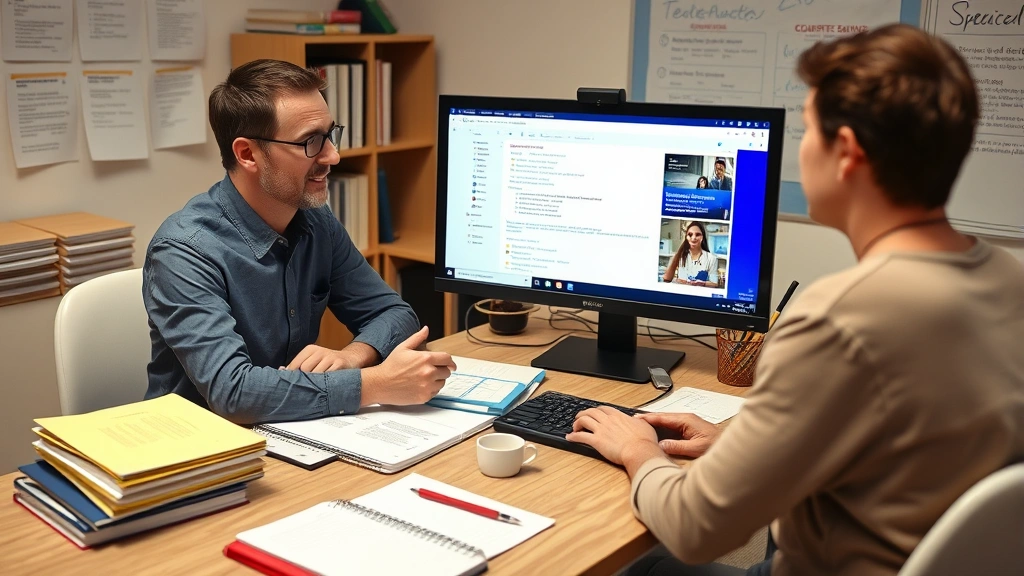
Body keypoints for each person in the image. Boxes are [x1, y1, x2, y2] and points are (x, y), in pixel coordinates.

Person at [568, 24, 1024, 576]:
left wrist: (636, 445)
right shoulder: (1007, 279)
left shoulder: (839, 317)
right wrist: (744, 447)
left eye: (808, 130)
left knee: (638, 566)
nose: (800, 148)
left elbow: (695, 529)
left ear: (847, 153)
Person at [143, 59, 455, 425]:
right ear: (247, 154)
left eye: (329, 134)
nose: (333, 156)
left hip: (289, 431)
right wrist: (372, 384)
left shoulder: (314, 221)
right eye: (310, 142)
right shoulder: (184, 252)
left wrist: (354, 355)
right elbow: (233, 392)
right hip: (198, 451)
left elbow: (395, 314)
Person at [662, 221, 719, 287]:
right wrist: (676, 257)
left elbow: (714, 284)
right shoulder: (680, 256)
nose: (693, 238)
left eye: (697, 234)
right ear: (686, 237)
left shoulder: (711, 258)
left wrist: (702, 283)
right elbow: (666, 279)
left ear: (702, 237)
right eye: (690, 234)